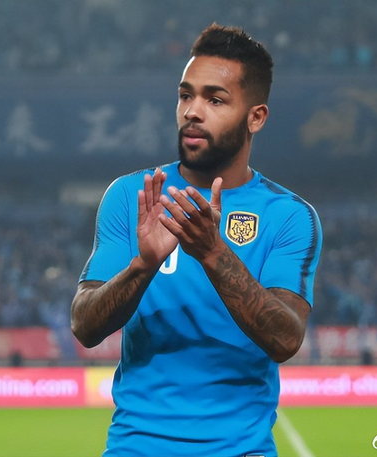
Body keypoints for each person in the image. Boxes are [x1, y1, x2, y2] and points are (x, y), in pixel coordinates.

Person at [71, 23, 323, 457]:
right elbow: (85, 326)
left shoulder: (289, 216)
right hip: (137, 448)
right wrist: (143, 266)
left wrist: (212, 252)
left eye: (215, 99)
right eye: (186, 95)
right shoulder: (132, 196)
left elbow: (285, 340)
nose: (192, 111)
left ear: (256, 117)